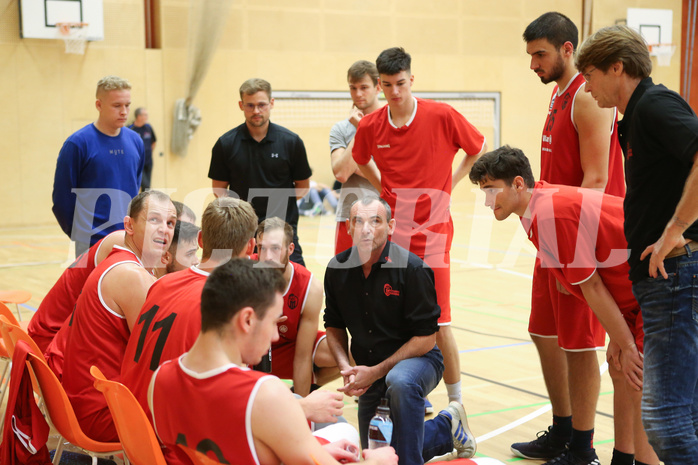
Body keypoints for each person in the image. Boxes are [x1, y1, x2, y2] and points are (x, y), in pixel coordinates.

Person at [469, 146, 659, 465]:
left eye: (491, 190)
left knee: (640, 383)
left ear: (517, 184)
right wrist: (620, 335)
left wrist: (626, 343)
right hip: (636, 293)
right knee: (626, 373)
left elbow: (593, 286)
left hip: (659, 284)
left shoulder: (550, 213)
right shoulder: (537, 204)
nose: (488, 200)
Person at [576, 25, 698, 465]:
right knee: (687, 415)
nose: (586, 88)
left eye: (589, 75)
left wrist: (676, 228)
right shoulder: (634, 120)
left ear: (617, 67)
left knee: (665, 420)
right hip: (660, 283)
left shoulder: (654, 105)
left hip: (677, 274)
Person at [149, 258, 399, 465]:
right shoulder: (264, 393)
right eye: (271, 322)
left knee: (338, 437)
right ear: (247, 320)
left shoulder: (159, 379)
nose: (274, 336)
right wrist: (377, 461)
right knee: (352, 438)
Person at [515, 12, 626, 463]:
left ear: (566, 50)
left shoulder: (587, 99)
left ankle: (584, 448)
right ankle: (562, 430)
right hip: (553, 238)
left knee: (580, 346)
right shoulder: (558, 96)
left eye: (540, 54)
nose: (533, 64)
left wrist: (576, 261)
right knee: (543, 333)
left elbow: (597, 183)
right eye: (530, 56)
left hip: (584, 244)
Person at [352, 48, 487, 409]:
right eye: (387, 85)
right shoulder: (370, 126)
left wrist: (451, 184)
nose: (394, 92)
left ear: (412, 80)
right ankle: (411, 393)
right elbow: (361, 159)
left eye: (400, 83)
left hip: (434, 232)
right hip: (393, 232)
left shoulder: (441, 115)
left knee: (439, 322)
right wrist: (383, 187)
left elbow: (478, 148)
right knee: (395, 318)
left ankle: (457, 405)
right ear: (379, 86)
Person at [324, 195, 475, 465]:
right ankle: (446, 427)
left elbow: (427, 340)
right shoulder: (337, 269)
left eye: (376, 221)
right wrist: (345, 367)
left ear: (391, 226)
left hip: (418, 361)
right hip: (370, 371)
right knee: (379, 452)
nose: (366, 229)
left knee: (400, 382)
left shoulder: (413, 269)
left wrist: (375, 372)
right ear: (348, 226)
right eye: (359, 221)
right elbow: (333, 325)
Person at [122, 197, 258, 417]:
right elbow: (237, 399)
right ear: (251, 247)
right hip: (170, 435)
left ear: (201, 239)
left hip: (130, 419)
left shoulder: (161, 283)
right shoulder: (228, 304)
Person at [60, 190, 176, 442]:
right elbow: (158, 359)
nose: (164, 230)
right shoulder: (133, 277)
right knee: (195, 412)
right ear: (129, 225)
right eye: (154, 220)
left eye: (170, 223)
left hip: (84, 399)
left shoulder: (121, 261)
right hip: (101, 411)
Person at [35, 203, 198, 364]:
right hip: (50, 344)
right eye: (179, 229)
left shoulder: (138, 251)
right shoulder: (126, 254)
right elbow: (149, 348)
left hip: (69, 345)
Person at [209, 78, 312, 266]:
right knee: (240, 287)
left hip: (283, 229)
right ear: (241, 105)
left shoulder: (291, 142)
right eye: (250, 105)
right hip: (242, 233)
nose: (256, 111)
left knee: (296, 280)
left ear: (271, 103)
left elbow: (303, 186)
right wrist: (240, 215)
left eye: (262, 105)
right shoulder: (225, 144)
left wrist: (280, 205)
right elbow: (219, 189)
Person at [52, 75, 145, 256]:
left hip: (128, 241)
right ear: (99, 105)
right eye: (117, 105)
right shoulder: (78, 144)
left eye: (127, 105)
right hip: (92, 244)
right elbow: (62, 200)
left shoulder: (136, 141)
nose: (124, 112)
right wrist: (81, 235)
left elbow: (136, 191)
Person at [255, 217, 340, 396]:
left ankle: (305, 390)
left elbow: (302, 357)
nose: (268, 256)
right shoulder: (242, 272)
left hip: (291, 347)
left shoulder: (310, 287)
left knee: (350, 353)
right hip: (253, 348)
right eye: (262, 248)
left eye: (276, 248)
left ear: (290, 249)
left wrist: (302, 408)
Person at [329, 60, 382, 254]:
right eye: (353, 88)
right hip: (349, 218)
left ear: (378, 87)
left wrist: (358, 168)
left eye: (364, 87)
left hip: (385, 217)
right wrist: (361, 131)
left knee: (385, 282)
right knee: (346, 281)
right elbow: (342, 173)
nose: (358, 94)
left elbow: (393, 177)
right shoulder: (341, 129)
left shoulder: (392, 125)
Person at [129, 107, 157, 191]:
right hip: (137, 163)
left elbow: (154, 141)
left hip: (148, 161)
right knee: (145, 185)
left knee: (147, 187)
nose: (147, 117)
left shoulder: (148, 127)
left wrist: (149, 152)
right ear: (138, 116)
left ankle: (144, 203)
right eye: (145, 115)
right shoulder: (130, 129)